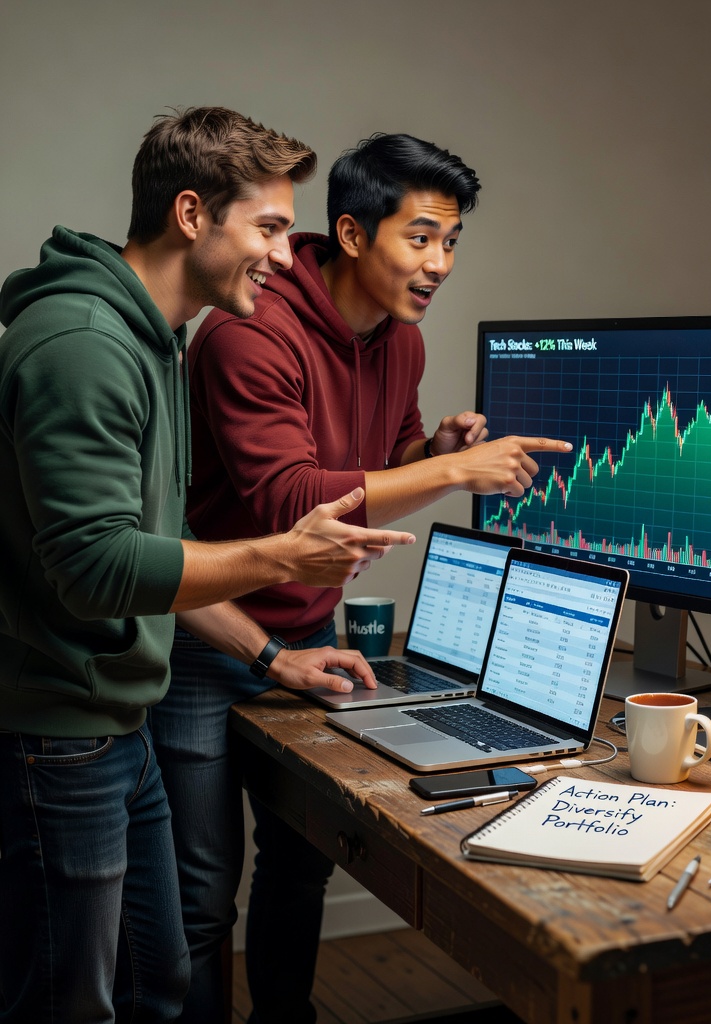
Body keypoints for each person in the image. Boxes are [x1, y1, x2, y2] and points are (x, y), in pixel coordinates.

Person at [0, 106, 415, 1024]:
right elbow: (97, 567)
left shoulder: (156, 340)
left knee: (161, 984)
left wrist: (271, 657)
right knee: (66, 1005)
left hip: (116, 729)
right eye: (267, 227)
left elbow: (161, 557)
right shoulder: (86, 345)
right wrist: (281, 552)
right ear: (193, 215)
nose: (283, 251)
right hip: (59, 738)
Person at [148, 131, 570, 1023]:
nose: (440, 263)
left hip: (310, 637)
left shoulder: (401, 341)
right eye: (419, 238)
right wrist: (455, 473)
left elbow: (373, 475)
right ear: (349, 234)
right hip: (205, 633)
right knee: (198, 896)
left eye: (451, 241)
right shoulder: (246, 333)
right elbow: (293, 497)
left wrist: (430, 451)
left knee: (299, 866)